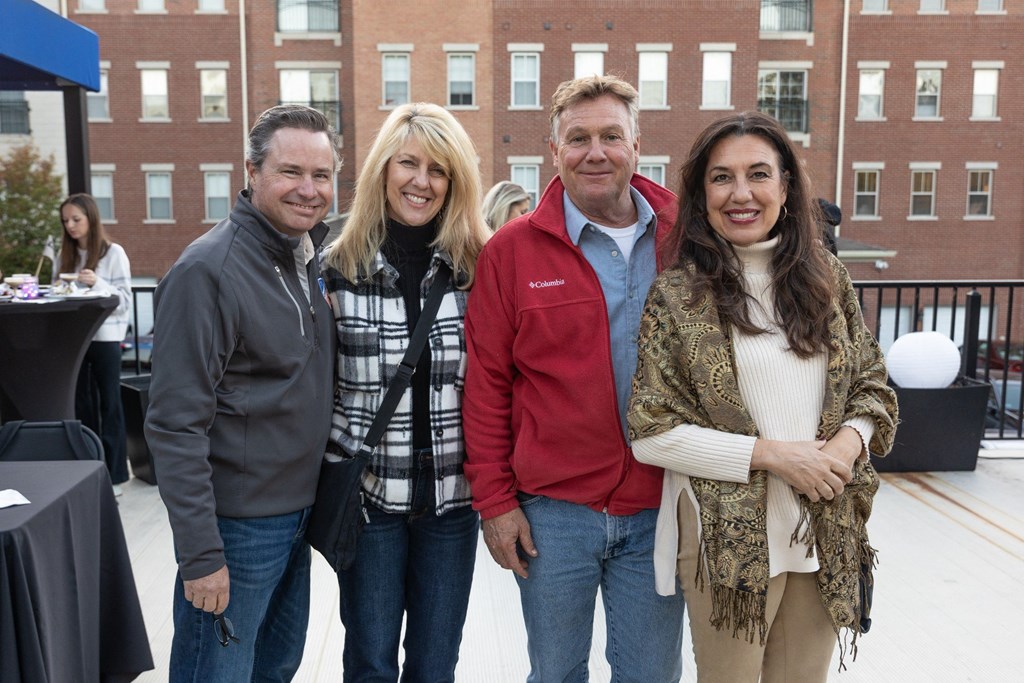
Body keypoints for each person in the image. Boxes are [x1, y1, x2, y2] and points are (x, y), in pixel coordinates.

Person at [627, 111, 899, 682]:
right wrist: (776, 456)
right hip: (724, 539)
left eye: (758, 174)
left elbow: (871, 380)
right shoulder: (678, 296)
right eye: (722, 177)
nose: (741, 193)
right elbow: (650, 432)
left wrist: (847, 447)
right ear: (701, 196)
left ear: (786, 186)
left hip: (824, 524)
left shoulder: (827, 279)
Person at [462, 75, 687, 682]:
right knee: (556, 674)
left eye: (612, 135)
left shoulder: (686, 239)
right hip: (552, 514)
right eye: (578, 137)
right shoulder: (511, 253)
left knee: (650, 675)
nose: (596, 151)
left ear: (637, 145)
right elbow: (485, 387)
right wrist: (495, 502)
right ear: (554, 150)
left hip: (660, 504)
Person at [144, 105, 338, 682]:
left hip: (295, 521)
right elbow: (174, 424)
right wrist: (202, 556)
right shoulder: (209, 271)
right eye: (290, 172)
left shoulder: (306, 260)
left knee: (274, 669)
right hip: (236, 532)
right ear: (252, 171)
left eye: (322, 175)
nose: (308, 190)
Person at [321, 102, 489, 682]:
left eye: (438, 170)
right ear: (382, 171)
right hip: (368, 501)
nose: (422, 181)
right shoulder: (335, 269)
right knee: (368, 662)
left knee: (435, 665)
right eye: (409, 164)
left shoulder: (479, 270)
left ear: (455, 183)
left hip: (452, 499)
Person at [57, 193, 132, 493]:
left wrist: (97, 283)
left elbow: (124, 301)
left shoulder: (113, 254)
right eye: (66, 221)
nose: (71, 226)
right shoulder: (67, 255)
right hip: (76, 342)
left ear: (91, 218)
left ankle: (114, 477)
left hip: (106, 339)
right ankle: (88, 473)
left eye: (76, 219)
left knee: (110, 406)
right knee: (81, 407)